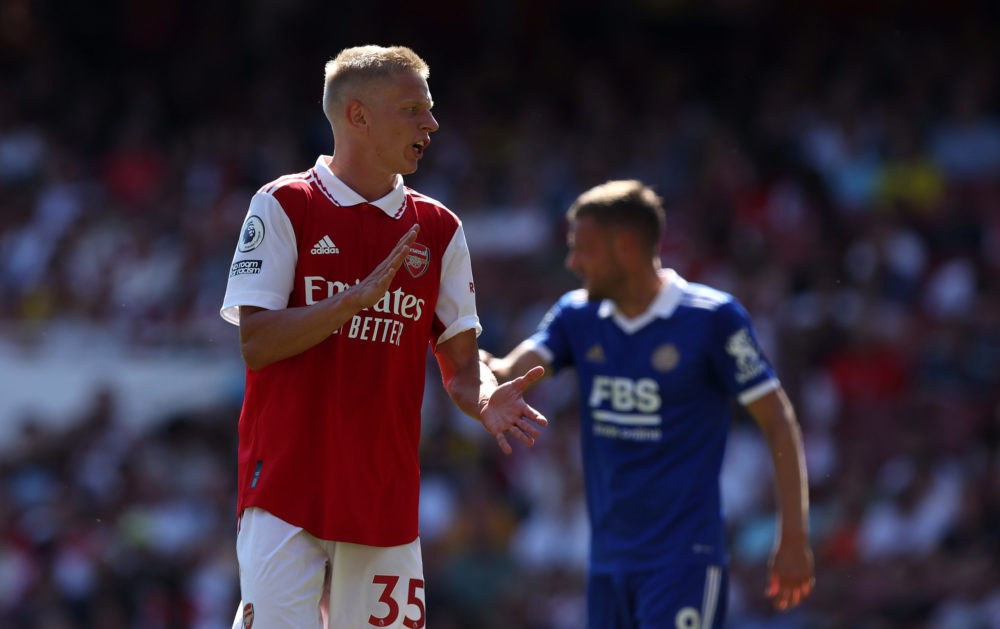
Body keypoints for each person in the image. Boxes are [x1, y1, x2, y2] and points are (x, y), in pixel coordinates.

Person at [219, 45, 547, 629]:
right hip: (284, 488)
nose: (431, 124)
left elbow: (461, 367)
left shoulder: (440, 229)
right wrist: (350, 301)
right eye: (412, 109)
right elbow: (257, 341)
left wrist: (484, 397)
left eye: (429, 109)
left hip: (383, 497)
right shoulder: (283, 205)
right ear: (358, 116)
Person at [482, 180, 814, 628]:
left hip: (684, 560)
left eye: (584, 250)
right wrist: (460, 351)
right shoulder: (575, 316)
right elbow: (508, 372)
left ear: (625, 247)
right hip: (606, 562)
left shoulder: (712, 318)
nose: (572, 262)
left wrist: (792, 537)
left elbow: (778, 421)